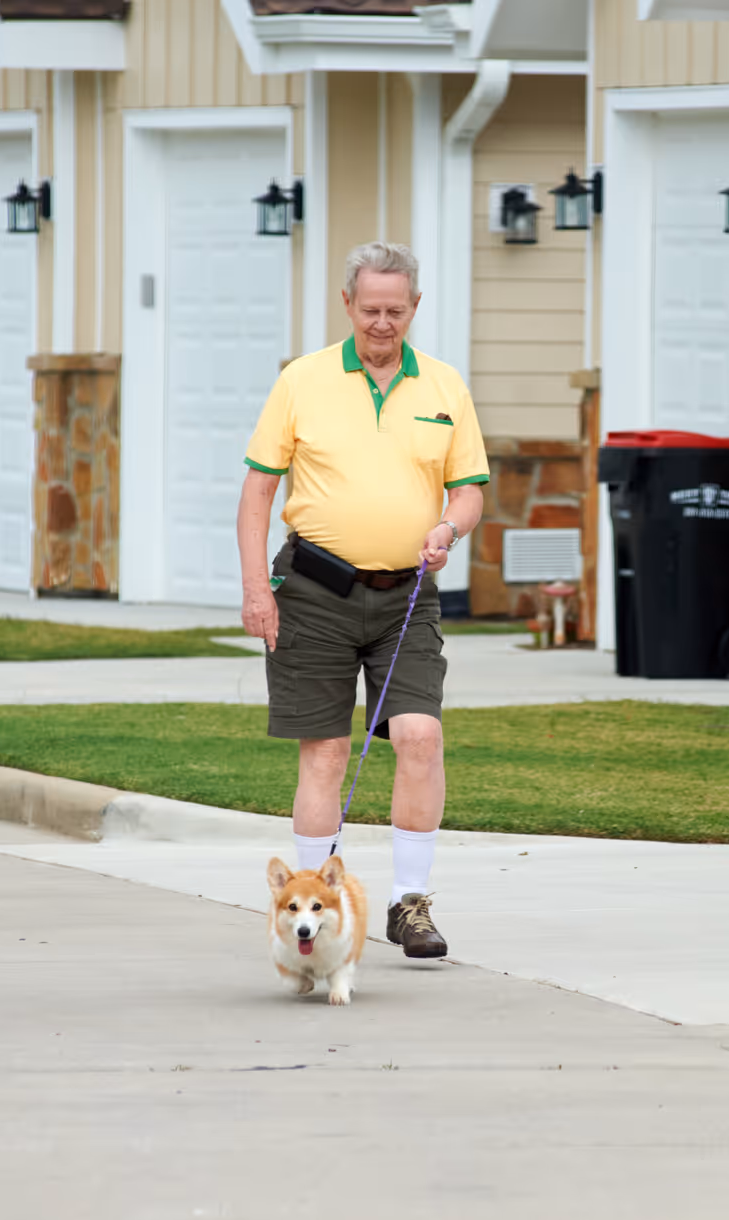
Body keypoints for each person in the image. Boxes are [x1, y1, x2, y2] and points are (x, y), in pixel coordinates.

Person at [235, 241, 488, 959]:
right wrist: (258, 588)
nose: (383, 323)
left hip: (405, 594)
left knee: (420, 736)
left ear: (414, 308)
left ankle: (410, 905)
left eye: (397, 311)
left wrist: (449, 525)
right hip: (312, 591)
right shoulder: (303, 381)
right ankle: (310, 901)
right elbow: (258, 489)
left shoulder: (444, 386)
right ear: (347, 304)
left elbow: (468, 489)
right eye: (371, 309)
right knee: (326, 750)